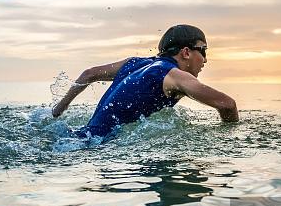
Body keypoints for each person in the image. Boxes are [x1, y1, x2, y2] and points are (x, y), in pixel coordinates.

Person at [52, 24, 238, 138]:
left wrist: (60, 108)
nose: (205, 60)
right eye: (203, 51)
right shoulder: (174, 75)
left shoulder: (134, 63)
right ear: (186, 52)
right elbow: (228, 104)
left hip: (79, 136)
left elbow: (88, 74)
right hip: (98, 147)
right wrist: (230, 136)